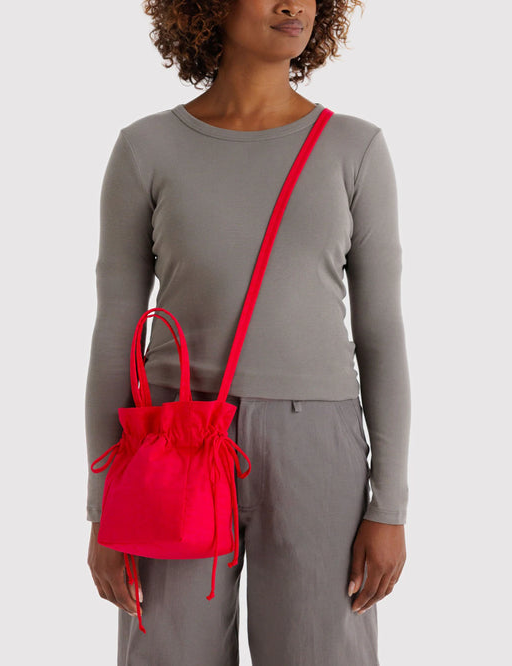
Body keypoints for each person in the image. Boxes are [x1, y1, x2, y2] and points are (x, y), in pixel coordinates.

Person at [85, 1, 411, 664]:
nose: (293, 5)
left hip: (317, 445)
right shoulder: (147, 149)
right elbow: (115, 333)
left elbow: (380, 334)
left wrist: (389, 507)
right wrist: (103, 510)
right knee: (168, 654)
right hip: (172, 439)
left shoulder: (354, 148)